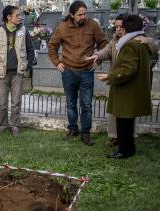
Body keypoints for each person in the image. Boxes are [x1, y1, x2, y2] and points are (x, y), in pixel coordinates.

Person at [86, 14, 159, 147]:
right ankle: (119, 139)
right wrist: (96, 55)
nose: (119, 29)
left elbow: (129, 68)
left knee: (125, 116)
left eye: (121, 27)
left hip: (124, 82)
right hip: (120, 81)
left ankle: (125, 147)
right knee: (118, 115)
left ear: (126, 28)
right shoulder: (117, 40)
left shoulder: (135, 42)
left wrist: (109, 76)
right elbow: (107, 51)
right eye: (117, 27)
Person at [48, 0, 108, 146]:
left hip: (87, 71)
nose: (83, 17)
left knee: (86, 104)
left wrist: (97, 60)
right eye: (80, 15)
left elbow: (104, 44)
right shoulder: (62, 28)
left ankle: (85, 133)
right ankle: (72, 129)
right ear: (72, 15)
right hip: (68, 71)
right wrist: (58, 63)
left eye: (84, 14)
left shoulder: (93, 25)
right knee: (70, 103)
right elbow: (52, 46)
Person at [0, 5, 35, 136]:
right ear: (9, 17)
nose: (20, 17)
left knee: (16, 103)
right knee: (2, 103)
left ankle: (15, 127)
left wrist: (28, 66)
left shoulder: (24, 31)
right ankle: (2, 126)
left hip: (17, 73)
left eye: (20, 15)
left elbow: (30, 51)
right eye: (17, 15)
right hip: (1, 73)